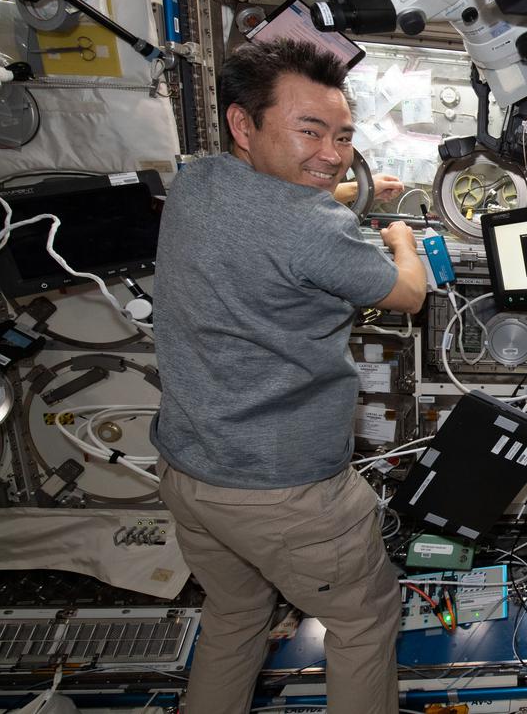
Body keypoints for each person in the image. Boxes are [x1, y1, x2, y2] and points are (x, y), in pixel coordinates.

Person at [151, 39, 427, 714]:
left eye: (342, 136)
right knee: (363, 622)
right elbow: (408, 294)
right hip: (284, 494)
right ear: (244, 123)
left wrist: (356, 192)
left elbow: (274, 212)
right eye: (310, 131)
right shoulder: (313, 227)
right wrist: (400, 238)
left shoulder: (197, 182)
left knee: (236, 613)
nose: (332, 153)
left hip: (190, 473)